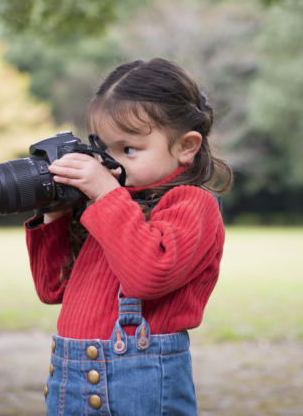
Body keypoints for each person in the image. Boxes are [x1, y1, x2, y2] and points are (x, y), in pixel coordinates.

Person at [24, 58, 233, 415]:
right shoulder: (110, 208)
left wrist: (106, 196)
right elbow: (52, 289)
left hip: (141, 390)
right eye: (104, 149)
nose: (111, 164)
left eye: (129, 150)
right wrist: (55, 214)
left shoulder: (190, 204)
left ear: (187, 146)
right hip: (69, 385)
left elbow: (148, 275)